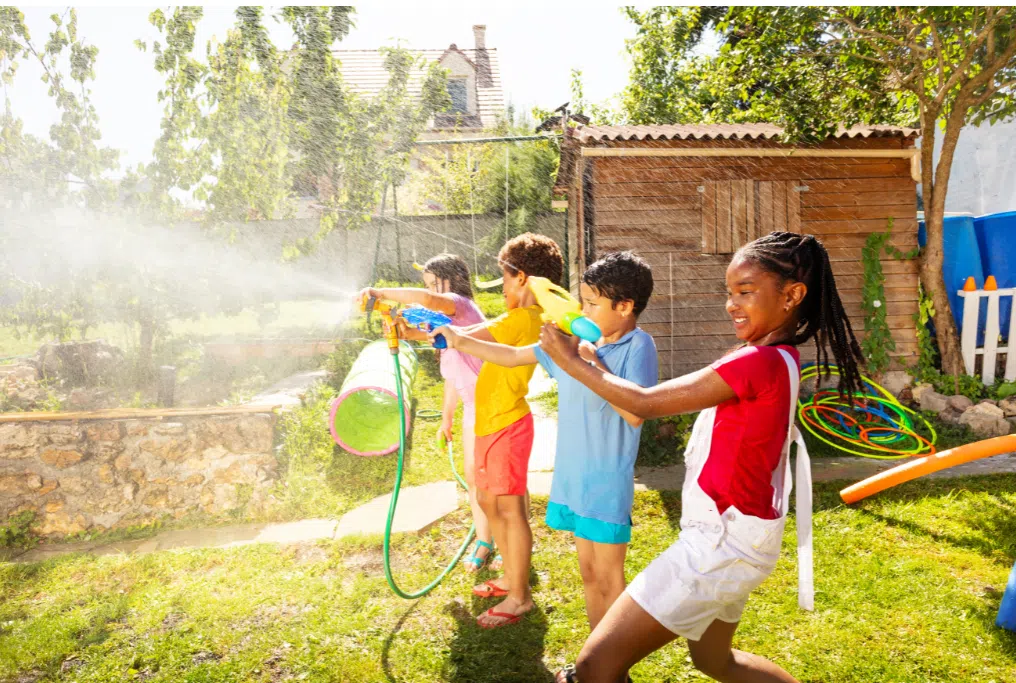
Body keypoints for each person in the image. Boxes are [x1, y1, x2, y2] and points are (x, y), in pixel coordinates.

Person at [541, 232, 864, 683]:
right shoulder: (780, 358)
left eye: (745, 293)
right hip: (744, 539)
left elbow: (645, 402)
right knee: (714, 661)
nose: (732, 304)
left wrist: (575, 362)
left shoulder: (757, 362)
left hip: (719, 544)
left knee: (594, 667)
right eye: (729, 292)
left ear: (791, 295)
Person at [435, 251, 657, 646]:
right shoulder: (573, 342)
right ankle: (596, 662)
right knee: (589, 576)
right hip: (572, 479)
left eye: (592, 304)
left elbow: (636, 411)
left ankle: (615, 666)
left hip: (605, 484)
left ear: (624, 307)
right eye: (582, 301)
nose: (582, 311)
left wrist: (584, 362)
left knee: (610, 579)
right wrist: (459, 339)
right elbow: (512, 355)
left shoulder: (637, 346)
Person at [434, 232, 564, 628]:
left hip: (507, 423)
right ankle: (511, 576)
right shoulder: (517, 317)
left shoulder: (524, 317)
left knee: (509, 510)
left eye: (505, 279)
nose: (503, 287)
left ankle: (520, 596)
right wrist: (438, 331)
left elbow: (479, 338)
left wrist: (452, 336)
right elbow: (472, 334)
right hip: (492, 422)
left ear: (522, 278)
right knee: (491, 503)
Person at [356, 254, 493, 572]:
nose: (430, 292)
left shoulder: (460, 305)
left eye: (435, 284)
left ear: (453, 282)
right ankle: (485, 540)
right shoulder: (447, 328)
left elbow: (427, 301)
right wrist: (447, 419)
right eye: (427, 285)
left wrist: (380, 292)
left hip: (495, 405)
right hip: (474, 408)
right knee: (473, 478)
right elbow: (453, 376)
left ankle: (513, 537)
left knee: (499, 482)